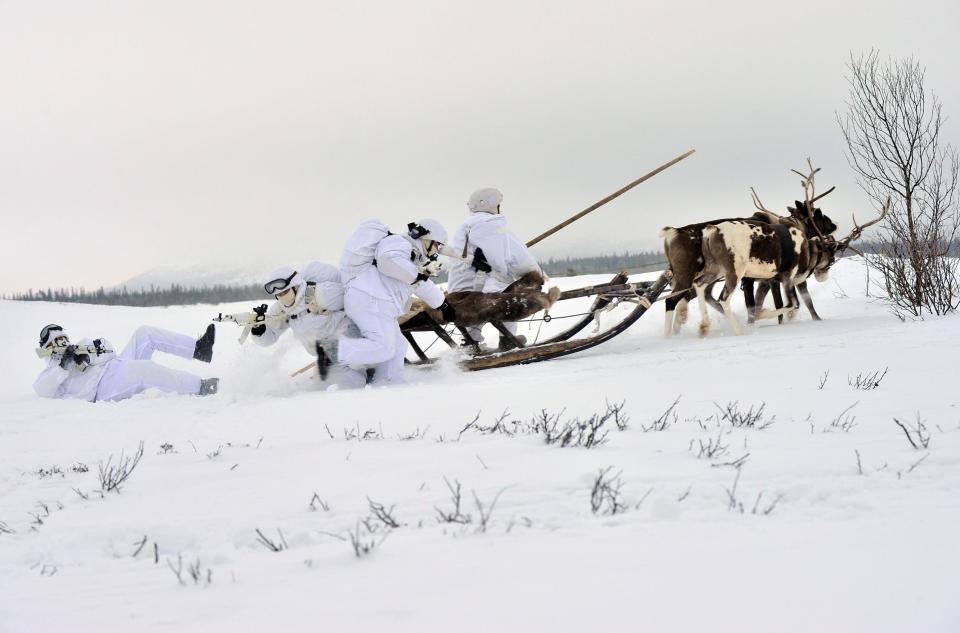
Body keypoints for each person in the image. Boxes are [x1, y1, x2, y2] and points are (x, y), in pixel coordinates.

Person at [320, 219, 456, 383]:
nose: (437, 250)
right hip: (370, 300)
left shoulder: (411, 256)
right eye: (437, 245)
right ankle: (332, 351)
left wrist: (442, 304)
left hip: (378, 304)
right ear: (426, 239)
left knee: (398, 347)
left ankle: (387, 383)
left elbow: (418, 283)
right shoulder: (398, 243)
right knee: (383, 346)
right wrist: (416, 273)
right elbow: (387, 261)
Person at [447, 187, 543, 349]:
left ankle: (471, 340)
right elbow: (520, 259)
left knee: (492, 288)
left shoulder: (464, 227)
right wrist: (537, 274)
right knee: (511, 296)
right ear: (489, 205)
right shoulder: (493, 225)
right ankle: (507, 339)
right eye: (498, 204)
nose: (499, 207)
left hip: (458, 289)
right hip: (478, 291)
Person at [248, 261, 367, 388]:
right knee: (321, 381)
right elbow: (269, 337)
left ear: (295, 286)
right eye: (278, 294)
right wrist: (259, 330)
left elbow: (357, 300)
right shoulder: (282, 309)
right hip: (325, 352)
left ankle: (365, 381)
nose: (282, 297)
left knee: (336, 376)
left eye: (285, 292)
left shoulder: (321, 294)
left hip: (348, 337)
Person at [33, 323, 219, 402]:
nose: (63, 343)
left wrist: (86, 357)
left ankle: (199, 349)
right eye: (57, 341)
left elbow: (108, 350)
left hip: (116, 366)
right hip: (103, 389)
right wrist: (63, 366)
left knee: (144, 333)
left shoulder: (81, 345)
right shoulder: (50, 372)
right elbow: (43, 390)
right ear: (48, 347)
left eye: (64, 338)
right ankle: (200, 387)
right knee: (142, 370)